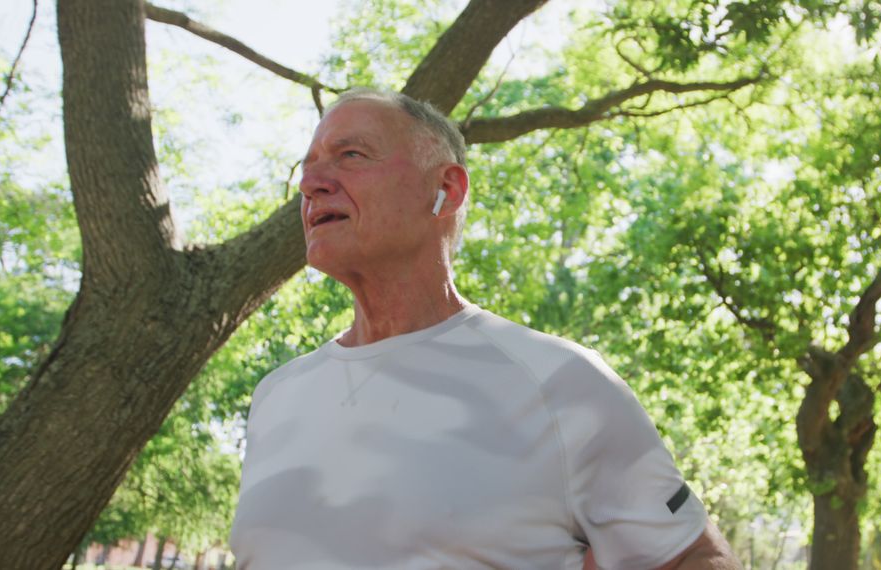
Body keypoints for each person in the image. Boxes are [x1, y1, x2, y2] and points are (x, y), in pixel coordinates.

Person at [229, 87, 742, 570]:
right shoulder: (275, 396)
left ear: (445, 190)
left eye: (351, 155)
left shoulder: (561, 382)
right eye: (308, 164)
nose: (310, 182)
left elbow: (698, 559)